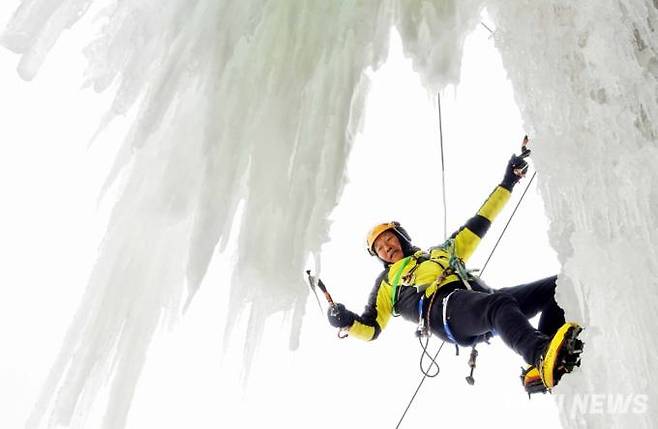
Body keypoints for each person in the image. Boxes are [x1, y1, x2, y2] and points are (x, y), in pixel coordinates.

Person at [327, 148, 583, 392]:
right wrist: (347, 321)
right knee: (498, 306)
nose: (386, 248)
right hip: (440, 311)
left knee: (559, 287)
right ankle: (539, 353)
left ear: (400, 237)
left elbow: (480, 220)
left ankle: (546, 358)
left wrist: (508, 182)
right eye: (379, 248)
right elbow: (371, 328)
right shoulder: (387, 282)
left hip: (479, 301)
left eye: (388, 239)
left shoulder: (442, 253)